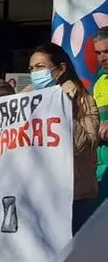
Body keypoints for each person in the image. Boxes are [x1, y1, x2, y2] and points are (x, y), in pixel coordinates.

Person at [26, 43, 99, 234]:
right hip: (36, 195)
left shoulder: (83, 100)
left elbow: (83, 145)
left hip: (74, 197)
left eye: (40, 67)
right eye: (31, 68)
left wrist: (65, 107)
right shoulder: (25, 99)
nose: (34, 72)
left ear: (60, 69)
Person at [90, 28, 108, 211]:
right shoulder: (100, 81)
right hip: (101, 173)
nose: (103, 58)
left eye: (107, 51)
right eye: (98, 53)